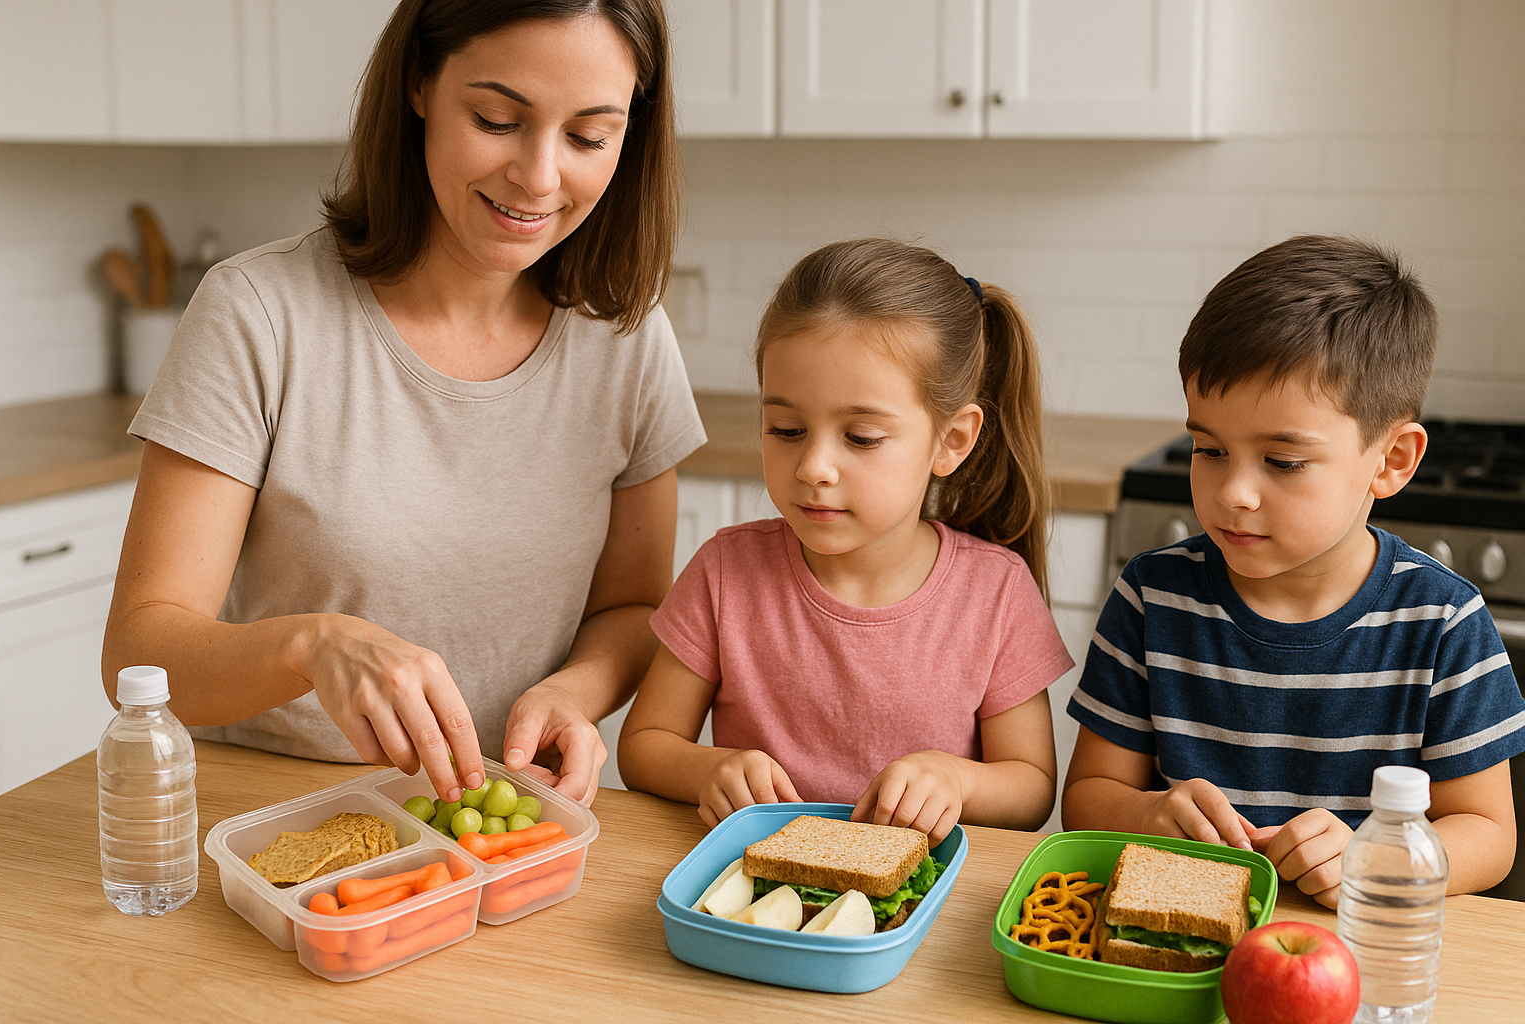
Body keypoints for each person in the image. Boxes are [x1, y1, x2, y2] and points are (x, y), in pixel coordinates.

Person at [101, 0, 705, 808]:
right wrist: (311, 645)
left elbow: (635, 605)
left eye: (589, 136)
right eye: (496, 118)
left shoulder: (627, 338)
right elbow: (139, 653)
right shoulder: (258, 312)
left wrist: (575, 691)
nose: (539, 175)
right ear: (419, 81)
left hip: (496, 824)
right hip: (265, 813)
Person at [1062, 235, 1525, 905]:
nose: (1233, 493)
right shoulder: (1151, 597)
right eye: (1209, 449)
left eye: (1281, 462)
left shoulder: (1442, 622)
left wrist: (1376, 858)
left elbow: (1488, 834)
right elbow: (1089, 798)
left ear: (1391, 460)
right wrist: (1147, 816)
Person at [618, 238, 1073, 844]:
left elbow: (1033, 787)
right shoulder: (725, 571)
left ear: (951, 442)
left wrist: (955, 781)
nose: (813, 467)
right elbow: (644, 746)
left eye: (860, 437)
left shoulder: (997, 591)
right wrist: (709, 769)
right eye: (786, 429)